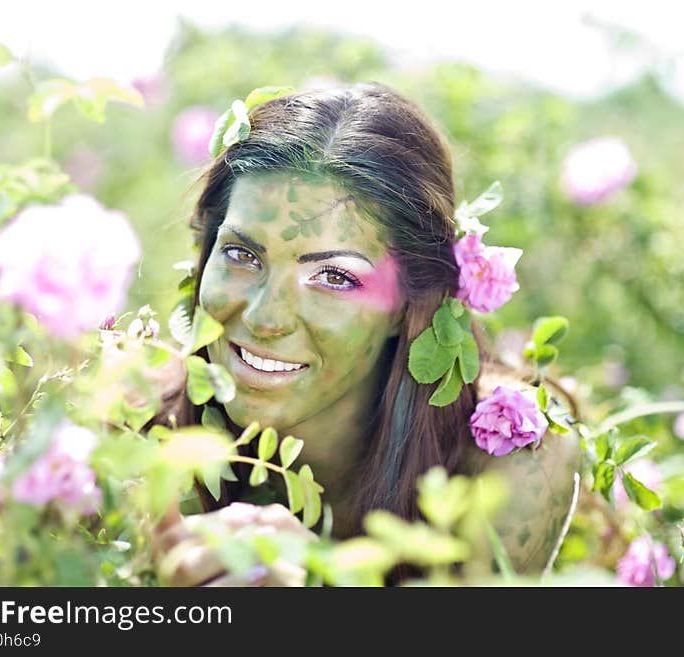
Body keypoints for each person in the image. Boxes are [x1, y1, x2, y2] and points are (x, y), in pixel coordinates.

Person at [151, 82, 581, 586]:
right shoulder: (134, 426)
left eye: (335, 277)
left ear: (407, 303)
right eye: (243, 255)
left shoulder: (512, 458)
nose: (268, 318)